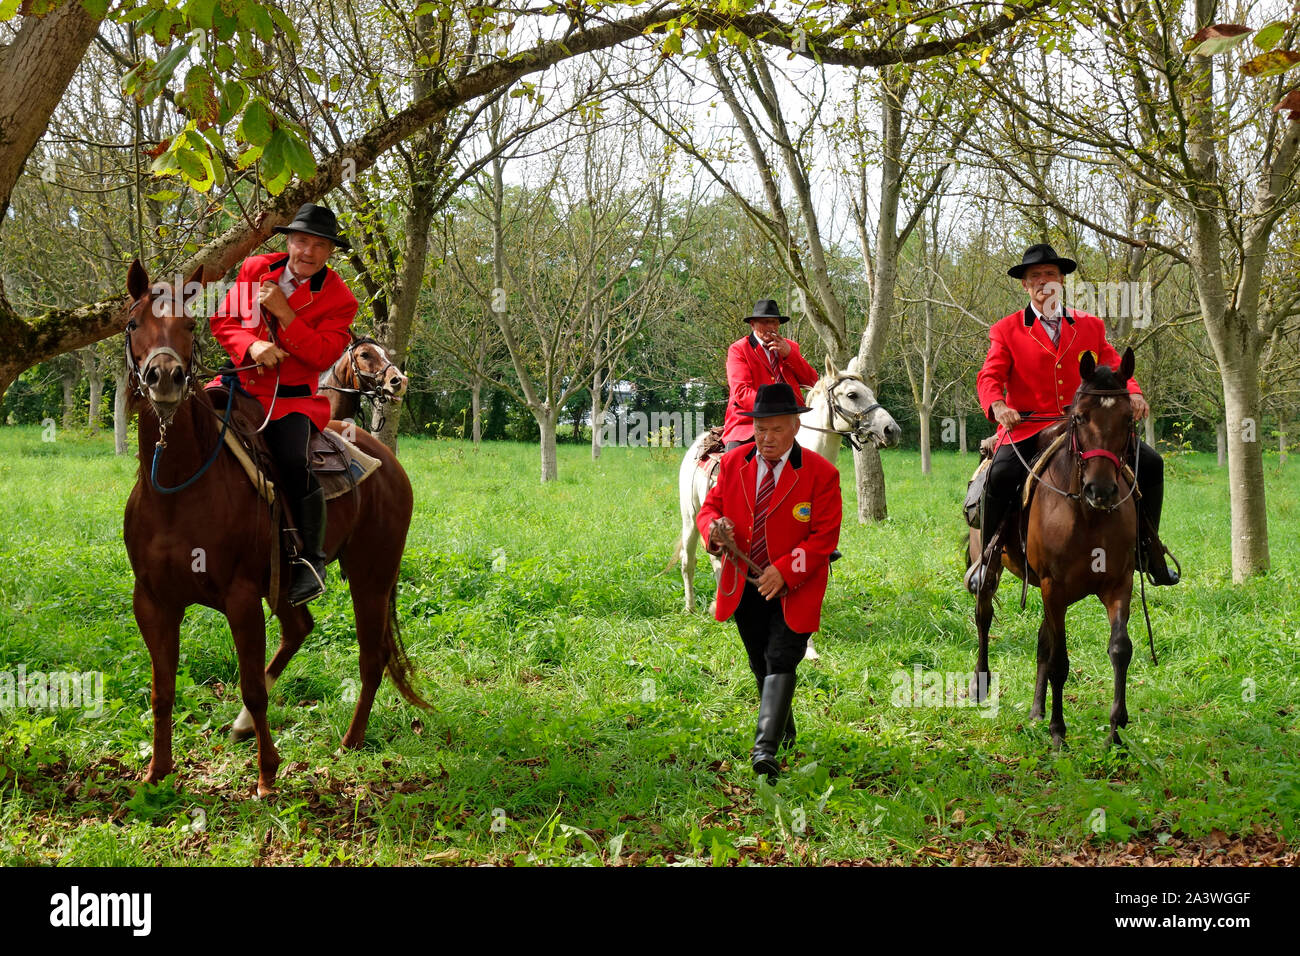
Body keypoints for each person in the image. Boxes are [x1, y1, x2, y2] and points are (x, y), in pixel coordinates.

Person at [966, 243, 1178, 594]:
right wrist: (998, 406)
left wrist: (1135, 391)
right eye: (1035, 276)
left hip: (1087, 426)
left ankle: (1148, 549)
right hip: (1029, 427)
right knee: (999, 476)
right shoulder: (1006, 330)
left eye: (1050, 274)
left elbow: (1112, 365)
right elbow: (989, 376)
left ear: (1061, 280)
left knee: (1151, 463)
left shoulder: (1090, 325)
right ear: (1025, 285)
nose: (1043, 281)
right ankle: (988, 559)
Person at [209, 203, 358, 605]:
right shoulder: (257, 267)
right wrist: (252, 344)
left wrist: (285, 314)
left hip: (289, 403)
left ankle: (311, 559)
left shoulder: (341, 299)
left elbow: (324, 355)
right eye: (301, 241)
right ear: (289, 241)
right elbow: (224, 321)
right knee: (183, 429)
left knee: (293, 460)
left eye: (319, 245)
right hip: (235, 384)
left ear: (330, 252)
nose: (307, 252)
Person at [697, 383, 842, 780]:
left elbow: (824, 537)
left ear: (796, 426)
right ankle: (785, 729)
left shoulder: (822, 474)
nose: (766, 438)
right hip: (743, 583)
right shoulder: (731, 463)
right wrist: (714, 529)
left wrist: (787, 569)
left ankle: (765, 752)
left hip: (796, 586)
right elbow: (710, 509)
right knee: (760, 660)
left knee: (782, 656)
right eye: (760, 429)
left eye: (776, 429)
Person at [722, 299, 820, 452]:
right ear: (752, 324)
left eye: (775, 323)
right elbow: (741, 392)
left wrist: (789, 355)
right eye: (766, 322)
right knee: (735, 460)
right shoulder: (739, 349)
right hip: (749, 424)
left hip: (791, 421)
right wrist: (776, 408)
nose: (771, 327)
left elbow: (813, 382)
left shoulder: (790, 347)